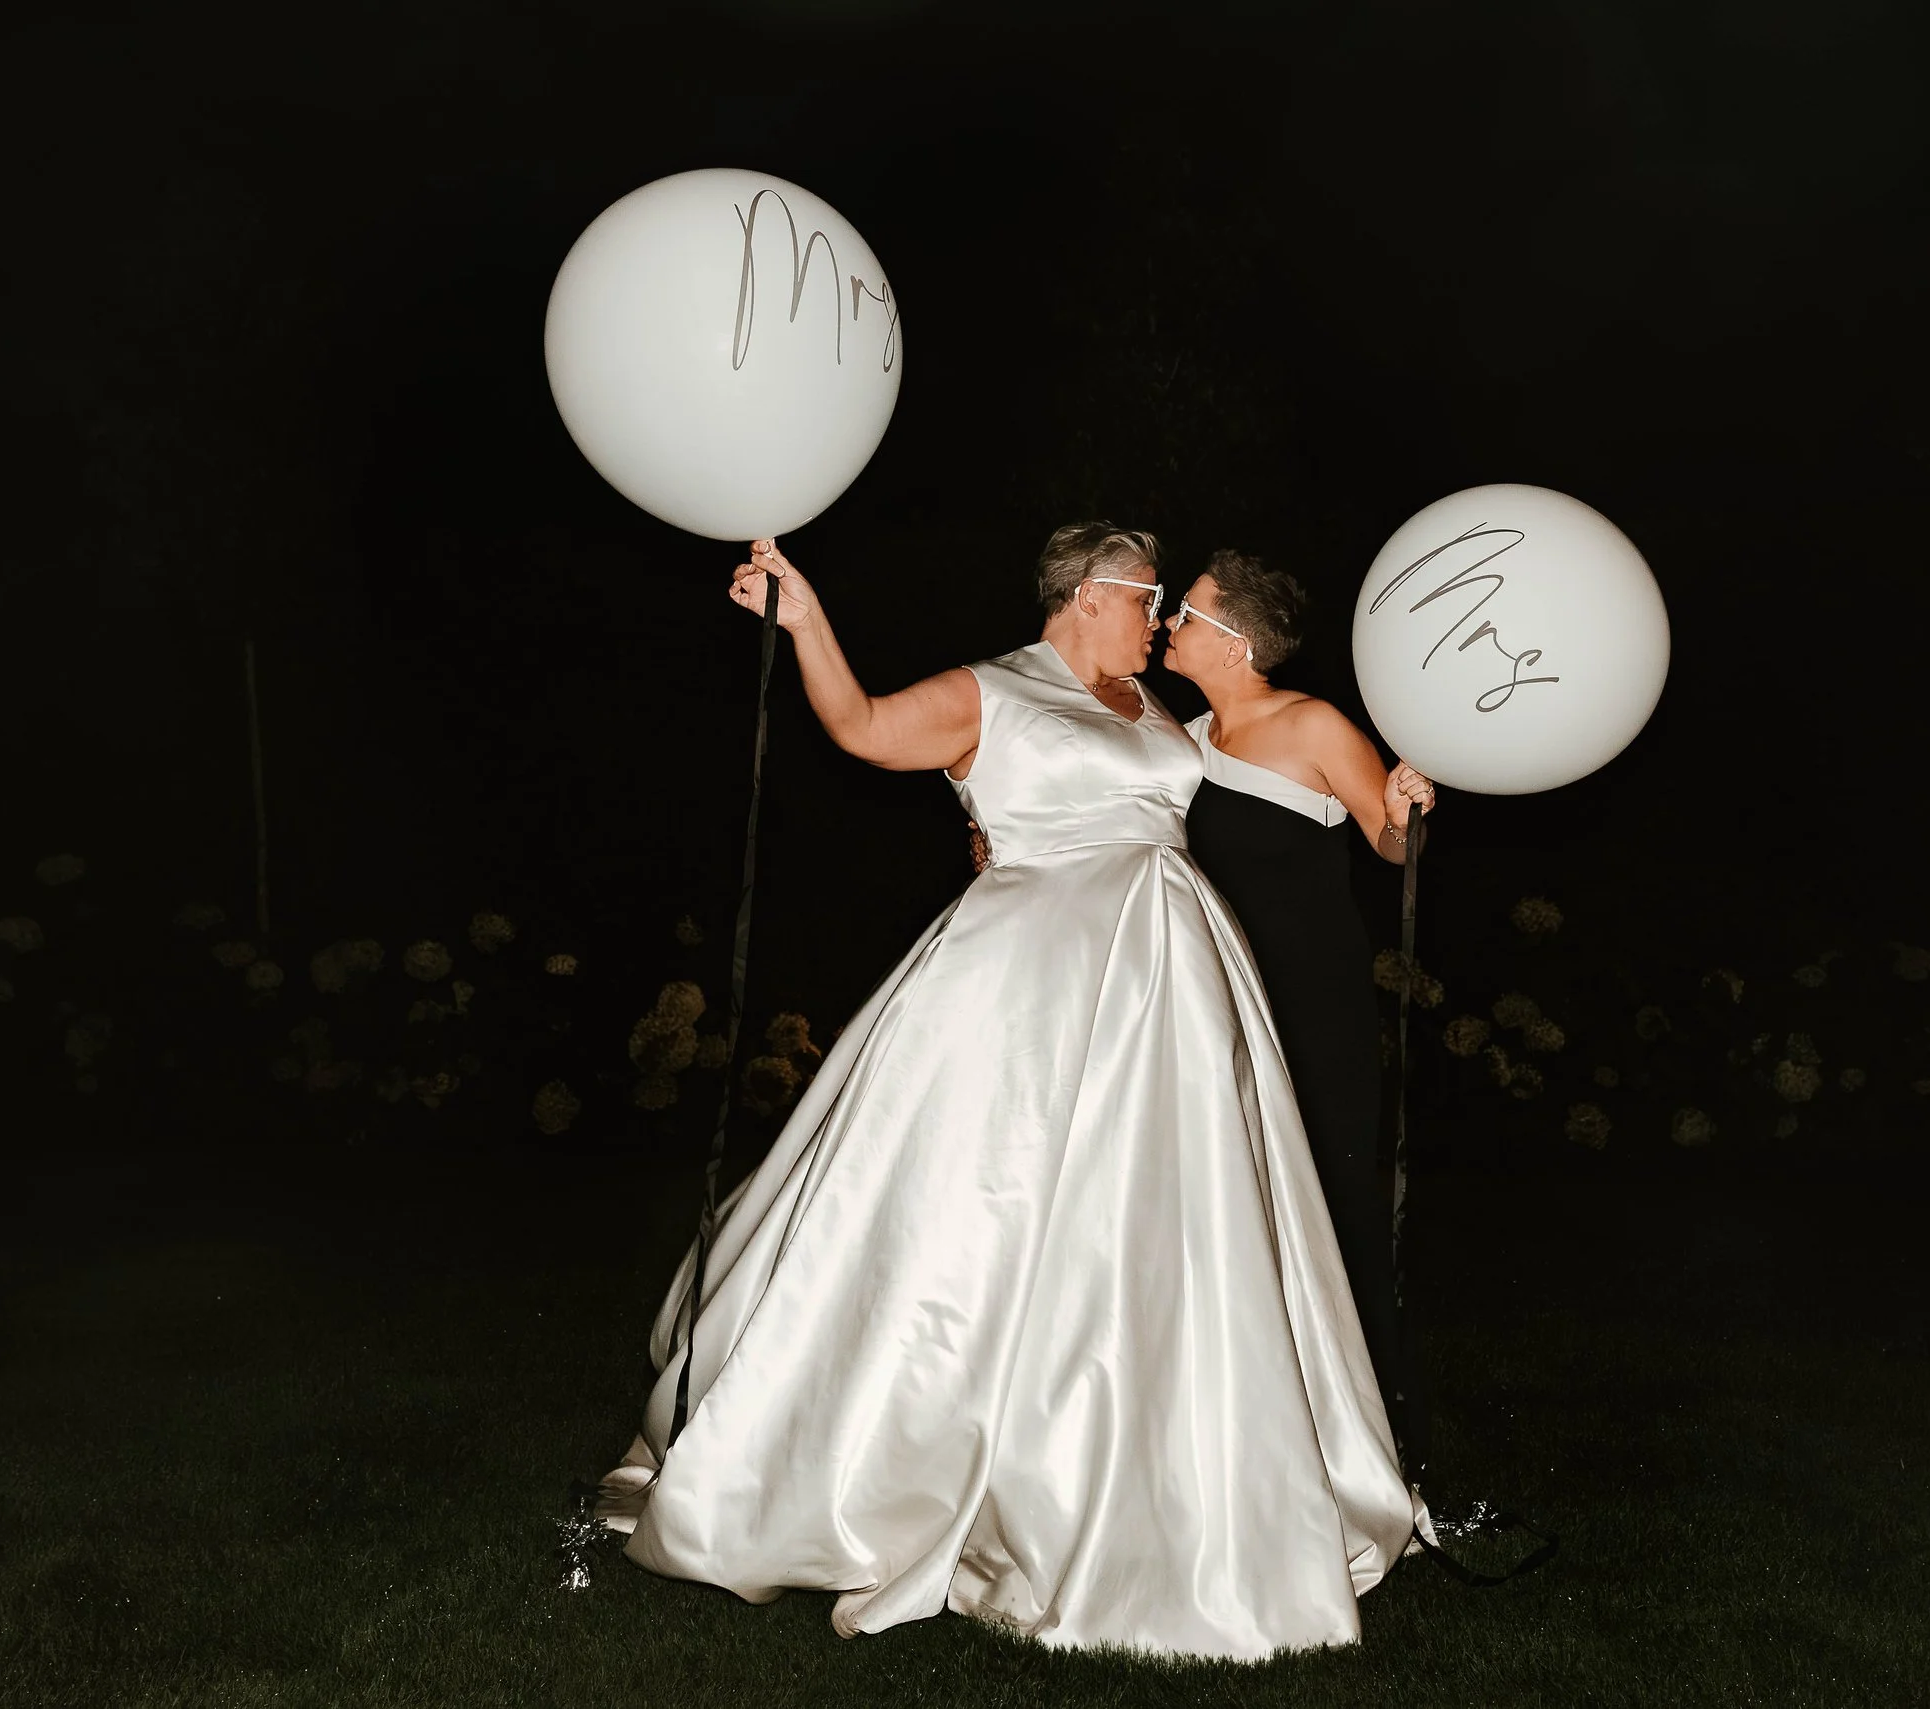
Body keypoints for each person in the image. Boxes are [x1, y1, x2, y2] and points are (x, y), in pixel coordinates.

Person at [595, 524, 1422, 1660]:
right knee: (983, 1211)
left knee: (1154, 1230)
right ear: (1091, 594)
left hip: (1168, 989)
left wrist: (1389, 805)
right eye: (1146, 597)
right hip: (1029, 987)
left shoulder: (1153, 711)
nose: (1157, 617)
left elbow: (1267, 785)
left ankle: (1162, 1468)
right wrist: (806, 620)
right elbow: (865, 727)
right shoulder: (996, 690)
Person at [1157, 550, 1439, 1470]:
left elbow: (1394, 848)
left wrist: (1404, 805)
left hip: (1313, 1011)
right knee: (1228, 1212)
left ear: (1235, 641)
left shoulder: (1311, 724)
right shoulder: (1180, 740)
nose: (1168, 624)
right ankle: (1252, 1436)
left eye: (1187, 614)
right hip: (1213, 1009)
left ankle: (1383, 1438)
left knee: (1337, 1209)